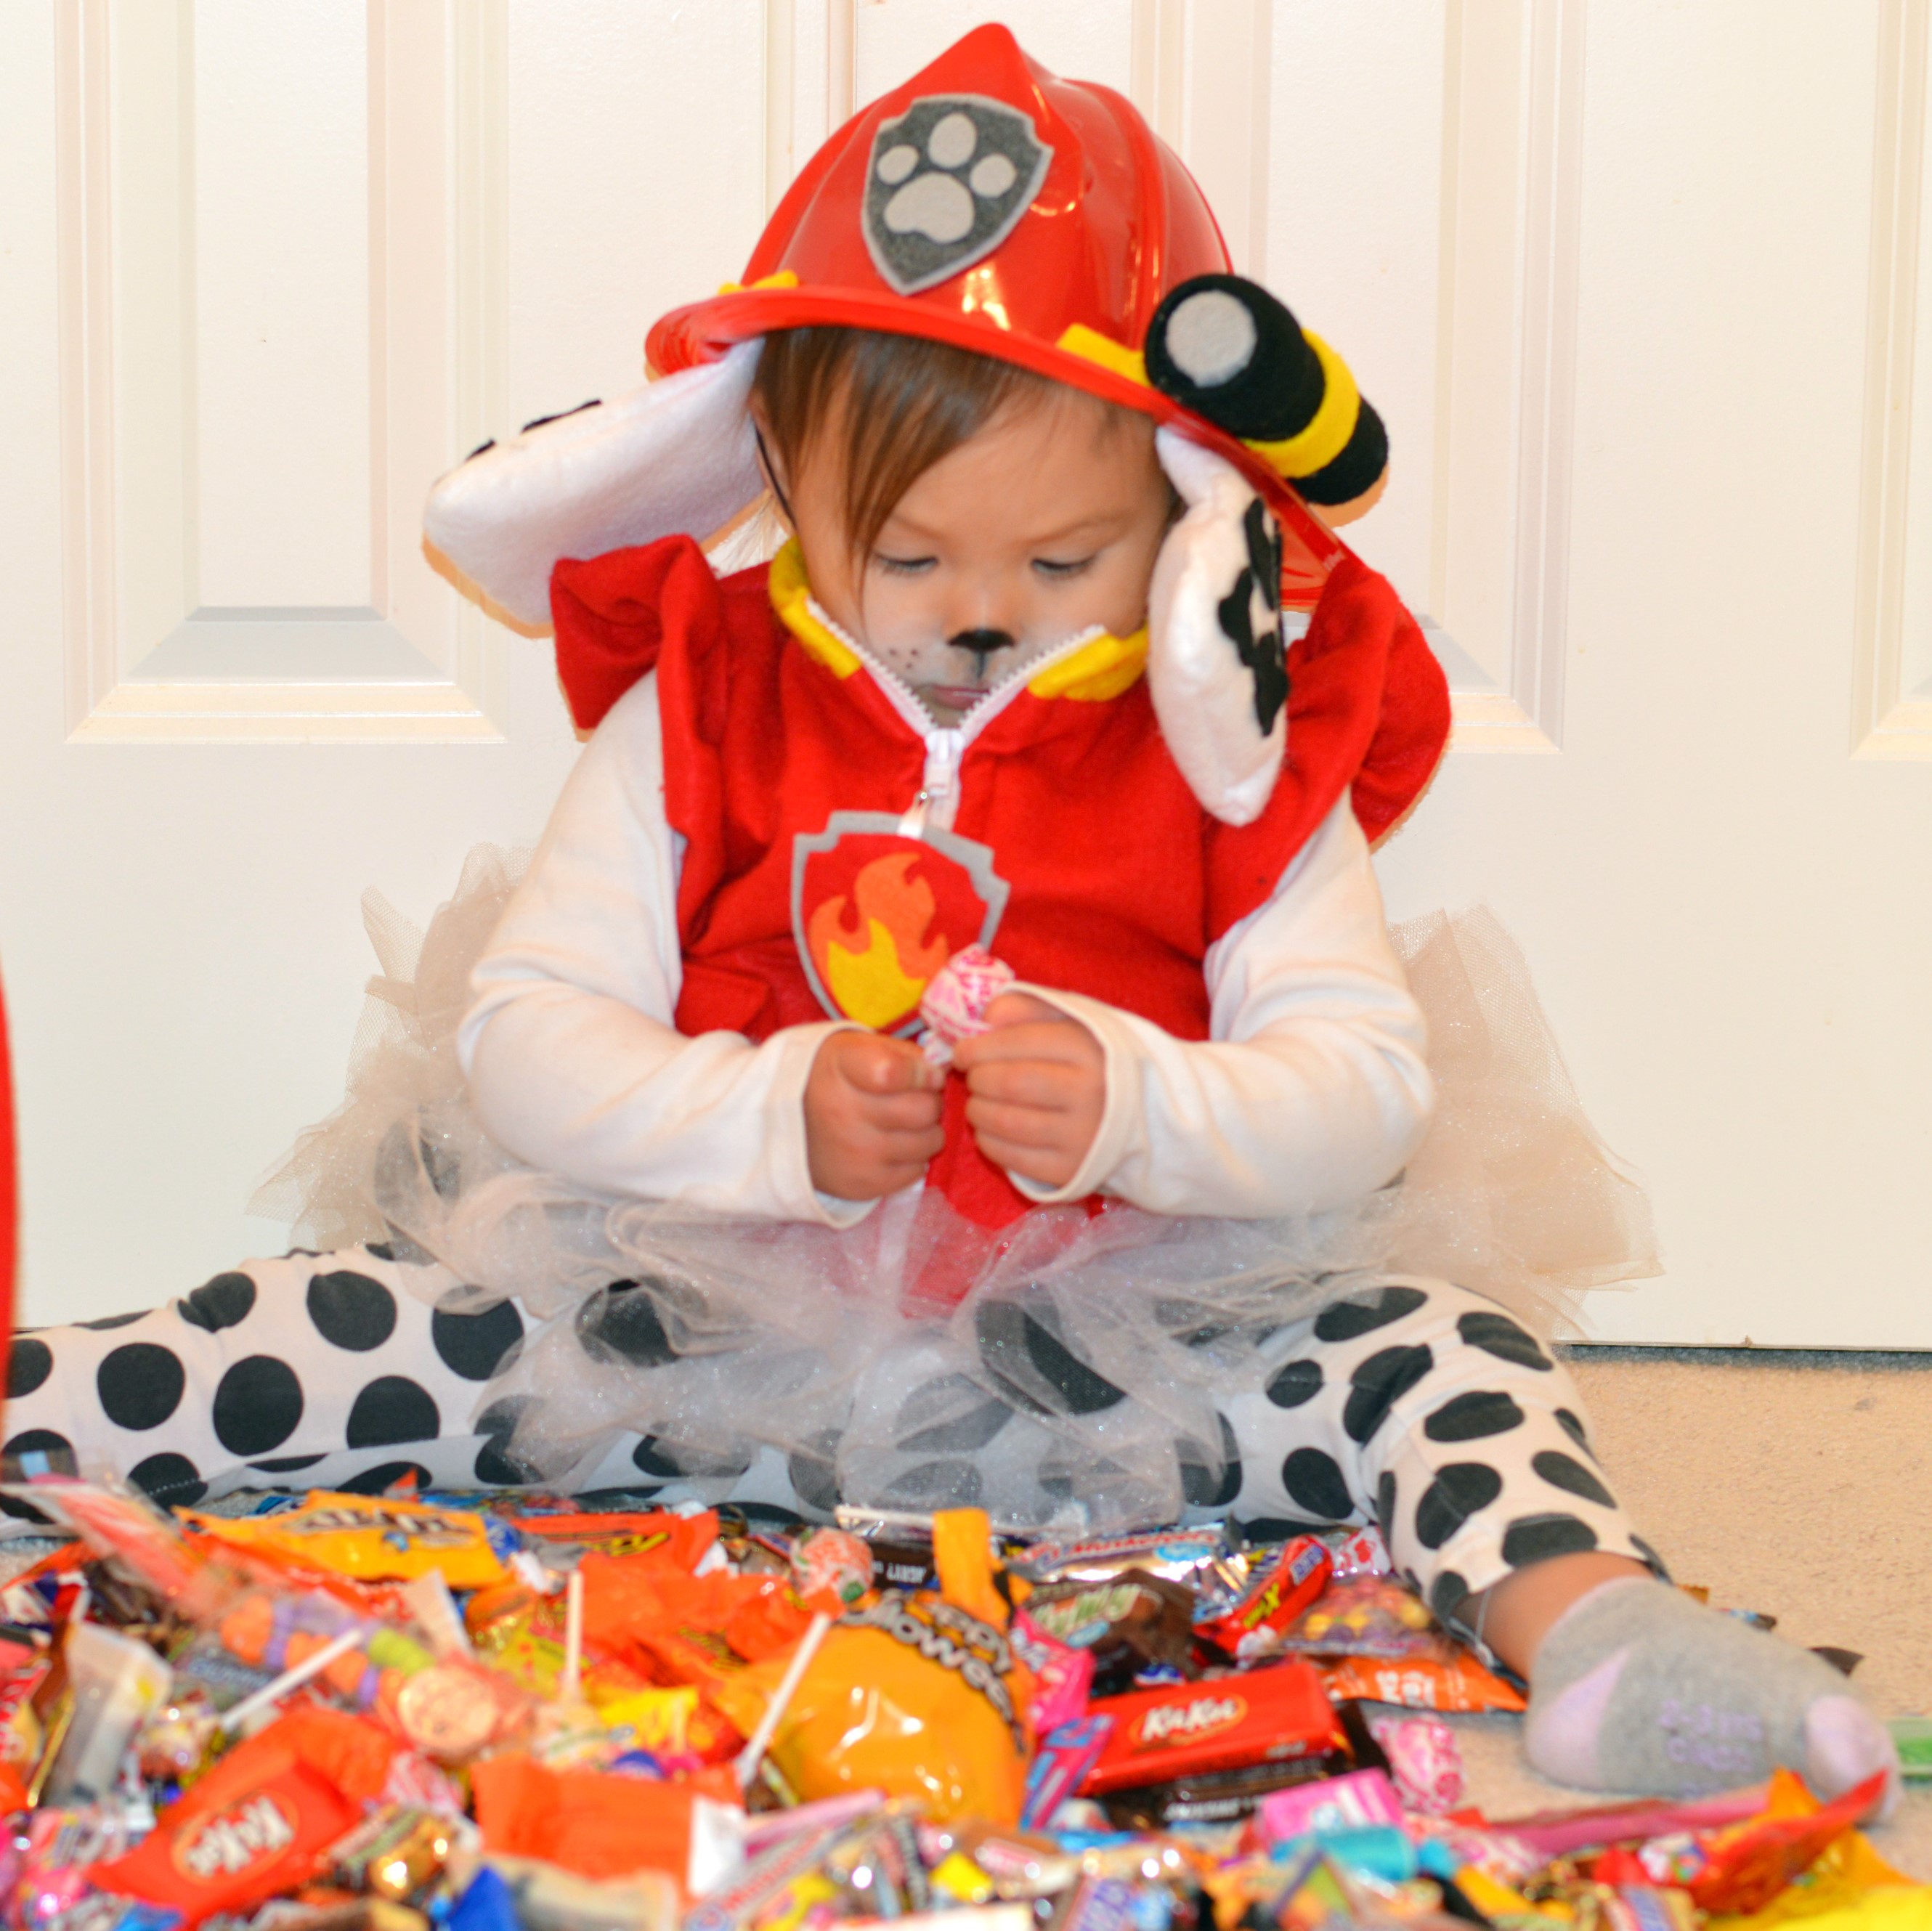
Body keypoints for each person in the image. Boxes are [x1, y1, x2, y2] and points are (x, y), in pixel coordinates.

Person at [4, 25, 1895, 1809]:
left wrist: (1150, 1104)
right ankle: (41, 1412)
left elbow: (1364, 1078)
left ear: (1180, 505)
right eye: (907, 555)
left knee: (1441, 1348)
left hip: (1131, 1385)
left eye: (1059, 562)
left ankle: (1594, 1631)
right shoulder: (707, 691)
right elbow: (528, 1026)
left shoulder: (1229, 734)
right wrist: (760, 1114)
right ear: (785, 486)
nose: (976, 609)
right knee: (356, 1325)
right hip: (684, 1354)